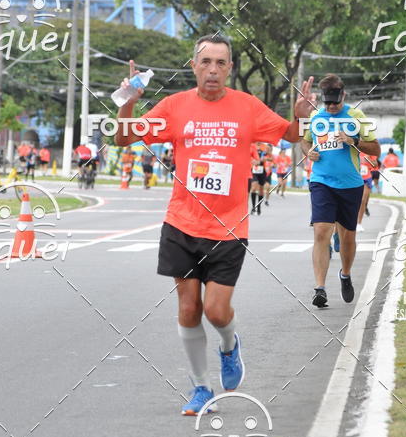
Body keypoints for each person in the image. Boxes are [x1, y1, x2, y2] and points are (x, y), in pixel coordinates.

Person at [114, 35, 314, 416]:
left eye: (221, 63)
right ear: (194, 66)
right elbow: (124, 137)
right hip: (181, 222)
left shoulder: (247, 107)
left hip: (228, 228)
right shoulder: (174, 107)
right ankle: (201, 388)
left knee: (216, 312)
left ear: (230, 69)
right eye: (206, 62)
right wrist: (129, 104)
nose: (213, 70)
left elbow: (291, 134)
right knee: (189, 309)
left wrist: (301, 112)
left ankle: (229, 345)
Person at [301, 74, 380, 309]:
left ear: (343, 96)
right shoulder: (315, 117)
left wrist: (353, 140)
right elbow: (304, 141)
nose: (331, 107)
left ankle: (345, 274)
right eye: (328, 103)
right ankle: (320, 289)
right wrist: (308, 152)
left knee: (347, 238)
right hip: (321, 181)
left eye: (335, 102)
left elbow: (375, 148)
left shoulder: (357, 116)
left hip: (350, 185)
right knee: (321, 232)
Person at [357, 152, 374, 228]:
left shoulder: (369, 149)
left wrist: (368, 159)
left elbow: (375, 164)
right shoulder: (352, 146)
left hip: (366, 177)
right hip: (354, 177)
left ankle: (359, 223)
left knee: (363, 200)